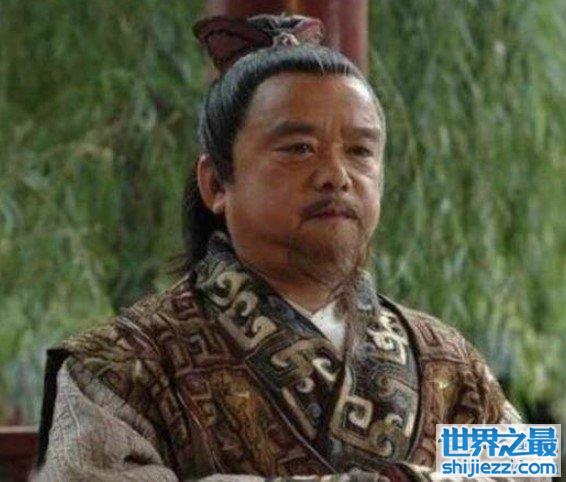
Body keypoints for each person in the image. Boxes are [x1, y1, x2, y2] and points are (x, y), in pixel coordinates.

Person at [32, 12, 548, 482]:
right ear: (216, 184)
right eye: (299, 148)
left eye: (360, 151)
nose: (336, 175)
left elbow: (528, 471)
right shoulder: (123, 368)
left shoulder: (448, 361)